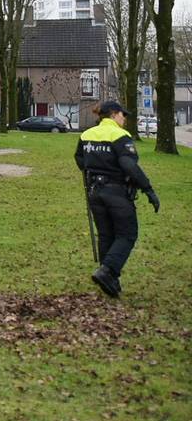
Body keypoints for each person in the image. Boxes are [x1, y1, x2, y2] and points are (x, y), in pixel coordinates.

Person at [74, 101, 160, 298]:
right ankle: (107, 271)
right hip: (116, 191)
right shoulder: (120, 136)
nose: (124, 119)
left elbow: (79, 159)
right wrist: (148, 190)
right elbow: (129, 165)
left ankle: (110, 279)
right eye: (123, 115)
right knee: (127, 234)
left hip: (95, 192)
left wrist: (93, 172)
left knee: (106, 235)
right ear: (113, 114)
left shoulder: (86, 134)